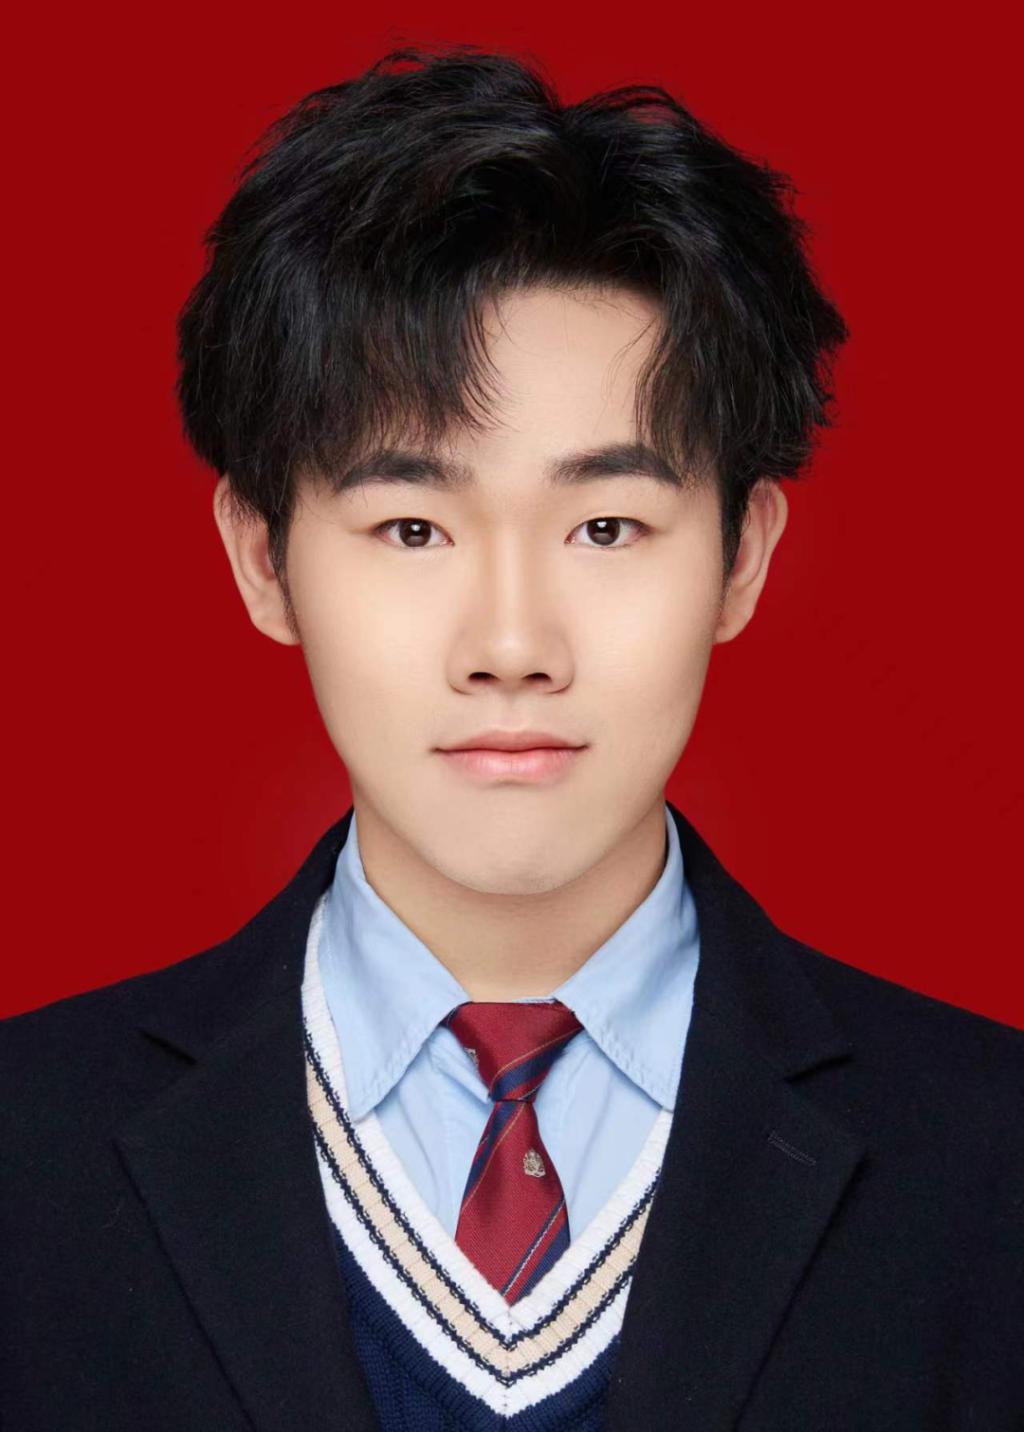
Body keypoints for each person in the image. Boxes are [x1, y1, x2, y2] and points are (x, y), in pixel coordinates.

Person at [2, 41, 1021, 1432]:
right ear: (263, 558)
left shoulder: (988, 1157)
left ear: (742, 557)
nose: (511, 644)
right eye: (411, 528)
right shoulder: (28, 1152)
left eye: (606, 526)